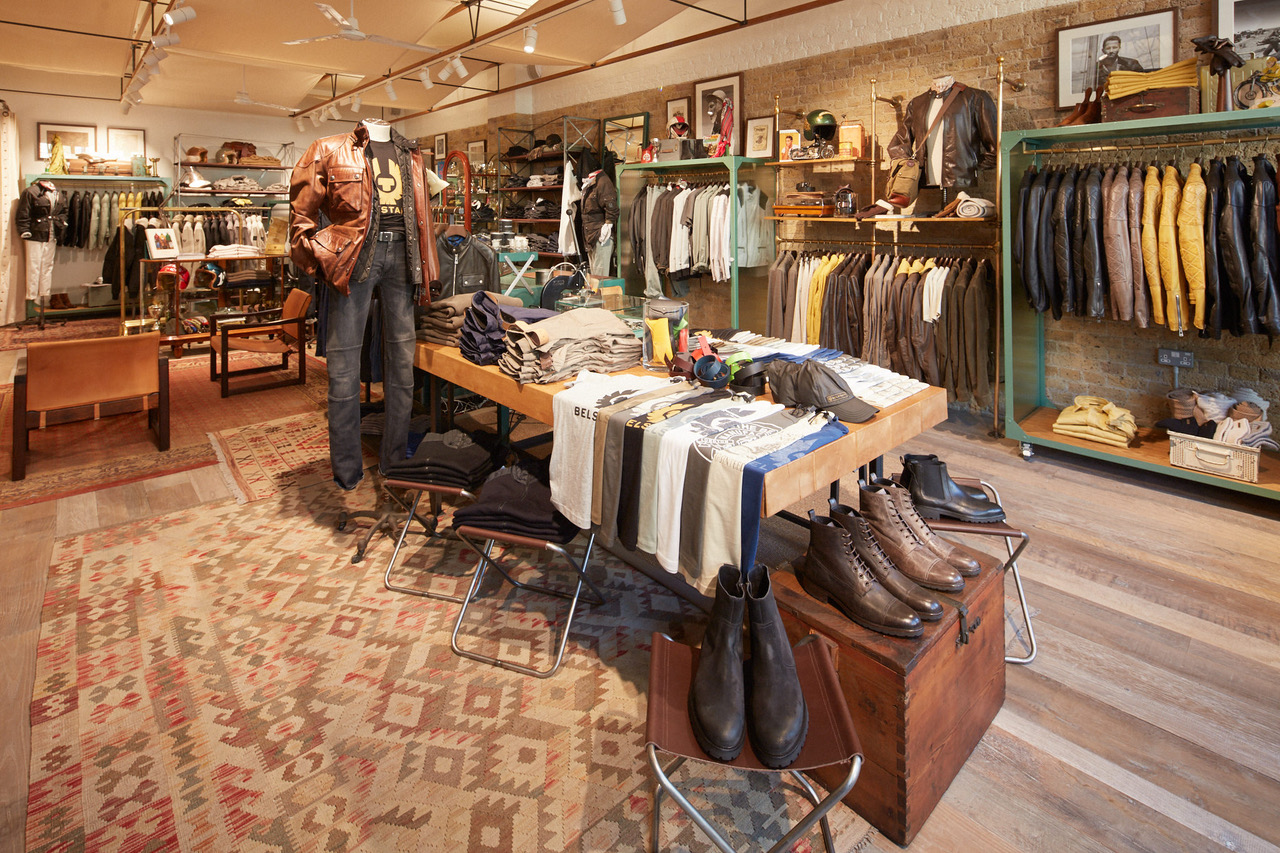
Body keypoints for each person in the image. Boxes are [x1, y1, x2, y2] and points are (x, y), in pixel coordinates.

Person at [290, 118, 441, 491]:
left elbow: (425, 213)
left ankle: (393, 462)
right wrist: (317, 258)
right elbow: (301, 213)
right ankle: (347, 472)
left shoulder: (413, 154)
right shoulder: (328, 148)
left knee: (402, 369)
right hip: (355, 257)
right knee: (343, 369)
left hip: (404, 257)